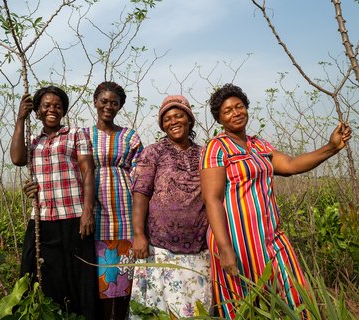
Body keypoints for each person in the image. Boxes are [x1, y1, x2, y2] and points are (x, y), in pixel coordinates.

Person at [199, 83, 352, 319]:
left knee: (297, 295)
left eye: (239, 106)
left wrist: (331, 147)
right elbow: (212, 199)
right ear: (219, 118)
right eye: (227, 110)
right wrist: (225, 248)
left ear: (247, 108)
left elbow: (290, 165)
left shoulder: (260, 145)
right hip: (236, 241)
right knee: (243, 306)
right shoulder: (216, 148)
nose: (235, 113)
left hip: (271, 236)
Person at [10, 86, 97, 319]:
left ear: (64, 111)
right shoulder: (32, 140)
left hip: (74, 216)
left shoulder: (76, 134)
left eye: (58, 106)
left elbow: (88, 173)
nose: (52, 110)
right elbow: (17, 159)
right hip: (44, 217)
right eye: (46, 106)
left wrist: (88, 211)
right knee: (40, 273)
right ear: (37, 111)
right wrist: (20, 118)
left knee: (78, 276)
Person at [130, 95, 212, 318]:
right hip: (161, 248)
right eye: (167, 119)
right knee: (161, 310)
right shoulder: (153, 152)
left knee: (196, 310)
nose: (173, 121)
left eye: (179, 116)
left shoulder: (205, 153)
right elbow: (141, 194)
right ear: (162, 125)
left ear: (189, 120)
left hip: (199, 246)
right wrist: (138, 234)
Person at [87, 81, 143, 320]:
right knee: (99, 279)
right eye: (104, 101)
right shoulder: (84, 135)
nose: (108, 106)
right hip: (94, 213)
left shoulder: (129, 136)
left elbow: (142, 173)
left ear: (120, 107)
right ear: (95, 102)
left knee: (123, 280)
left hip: (125, 213)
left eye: (114, 103)